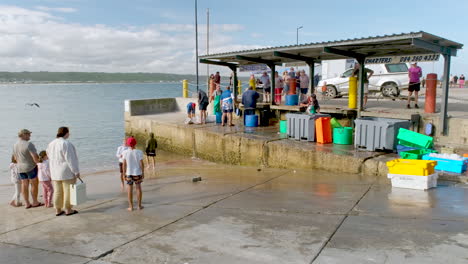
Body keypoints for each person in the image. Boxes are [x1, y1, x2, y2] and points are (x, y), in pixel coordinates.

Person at [47, 127, 80, 216]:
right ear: (66, 133)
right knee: (68, 190)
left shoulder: (51, 143)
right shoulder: (66, 143)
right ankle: (68, 209)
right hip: (66, 171)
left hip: (54, 171)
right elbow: (70, 159)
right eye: (69, 133)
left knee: (57, 191)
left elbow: (49, 156)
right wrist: (76, 171)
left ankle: (58, 210)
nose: (69, 134)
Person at [13, 129, 42, 209]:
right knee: (34, 184)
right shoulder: (29, 144)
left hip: (20, 168)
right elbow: (34, 157)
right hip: (30, 167)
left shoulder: (15, 145)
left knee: (24, 184)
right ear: (24, 135)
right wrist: (39, 164)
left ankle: (27, 203)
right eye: (28, 134)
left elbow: (15, 158)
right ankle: (35, 202)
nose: (30, 135)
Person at [122, 137, 144, 211]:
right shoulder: (139, 152)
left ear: (128, 144)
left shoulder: (125, 152)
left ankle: (131, 207)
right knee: (138, 188)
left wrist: (123, 174)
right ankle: (139, 206)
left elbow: (124, 164)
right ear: (135, 143)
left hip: (129, 173)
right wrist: (143, 172)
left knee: (129, 189)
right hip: (137, 173)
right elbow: (141, 163)